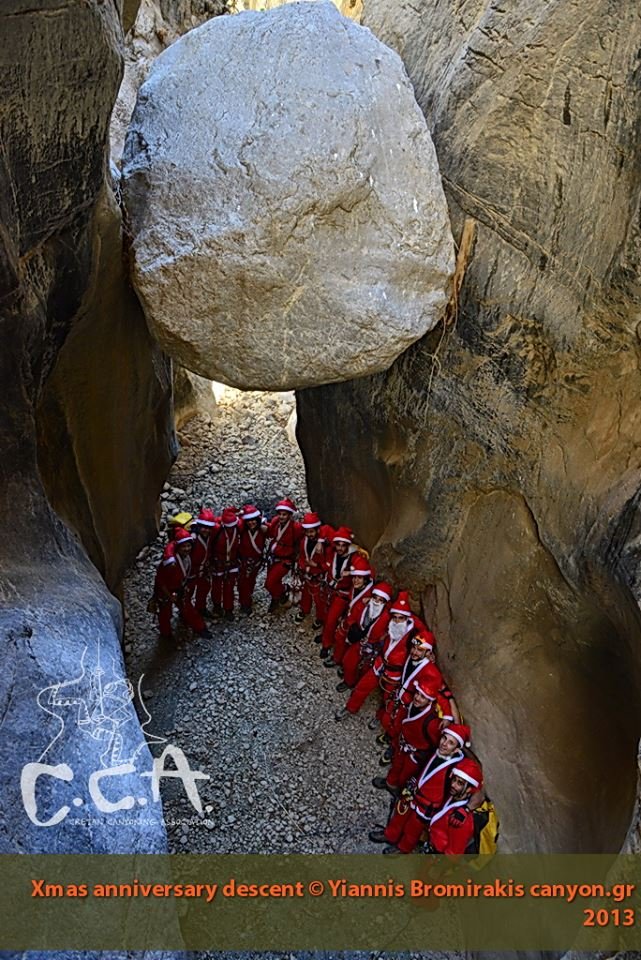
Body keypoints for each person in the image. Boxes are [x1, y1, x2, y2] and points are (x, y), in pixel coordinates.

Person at [368, 724, 471, 854]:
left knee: (413, 829)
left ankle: (403, 848)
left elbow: (476, 786)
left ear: (457, 750)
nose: (444, 744)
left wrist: (467, 808)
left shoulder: (456, 768)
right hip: (414, 792)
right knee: (399, 816)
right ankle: (390, 835)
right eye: (444, 738)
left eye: (451, 743)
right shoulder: (438, 751)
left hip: (426, 805)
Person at [335, 591, 415, 720]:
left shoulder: (411, 635)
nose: (397, 621)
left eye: (401, 618)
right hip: (380, 663)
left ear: (407, 618)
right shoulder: (391, 626)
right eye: (395, 617)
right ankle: (350, 708)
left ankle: (381, 717)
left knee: (389, 698)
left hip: (395, 673)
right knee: (362, 686)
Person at [372, 676, 444, 794]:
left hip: (415, 755)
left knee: (405, 775)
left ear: (430, 701)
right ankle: (390, 783)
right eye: (417, 693)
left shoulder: (432, 723)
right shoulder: (413, 705)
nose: (417, 698)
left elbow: (435, 744)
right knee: (396, 765)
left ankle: (400, 792)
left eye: (423, 697)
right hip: (404, 745)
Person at [152, 528, 211, 640]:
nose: (187, 549)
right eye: (183, 546)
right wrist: (169, 595)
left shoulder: (187, 557)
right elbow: (160, 581)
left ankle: (200, 628)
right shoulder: (170, 564)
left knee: (187, 607)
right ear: (178, 547)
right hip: (165, 591)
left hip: (179, 587)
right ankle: (166, 634)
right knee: (165, 614)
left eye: (188, 546)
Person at [339, 582, 392, 691]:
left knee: (364, 669)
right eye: (375, 598)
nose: (376, 602)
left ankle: (356, 684)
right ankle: (348, 681)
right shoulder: (363, 606)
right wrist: (353, 627)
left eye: (380, 600)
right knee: (348, 661)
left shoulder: (387, 616)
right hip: (359, 640)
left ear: (385, 602)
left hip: (372, 646)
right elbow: (352, 617)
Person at [426, 757, 484, 855]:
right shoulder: (453, 796)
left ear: (469, 789)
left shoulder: (462, 822)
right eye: (454, 779)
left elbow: (453, 854)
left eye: (460, 783)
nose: (453, 784)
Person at [326, 553, 373, 669]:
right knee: (340, 638)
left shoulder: (370, 594)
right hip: (349, 620)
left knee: (351, 647)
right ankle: (337, 658)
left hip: (358, 626)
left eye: (359, 578)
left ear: (365, 579)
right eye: (354, 577)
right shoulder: (355, 588)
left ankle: (343, 664)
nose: (355, 580)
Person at [319, 527, 357, 660]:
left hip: (342, 594)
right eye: (338, 545)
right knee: (325, 614)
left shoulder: (353, 558)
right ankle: (325, 635)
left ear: (347, 546)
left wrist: (351, 572)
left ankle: (326, 644)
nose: (340, 548)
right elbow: (325, 529)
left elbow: (364, 570)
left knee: (332, 619)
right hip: (330, 589)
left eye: (343, 545)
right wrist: (320, 541)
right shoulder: (331, 551)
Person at [264, 498, 303, 612]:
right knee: (273, 582)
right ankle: (276, 597)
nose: (281, 517)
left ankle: (283, 591)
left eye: (284, 514)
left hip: (285, 560)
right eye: (280, 514)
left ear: (290, 515)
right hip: (272, 557)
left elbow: (302, 541)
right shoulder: (276, 522)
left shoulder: (295, 528)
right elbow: (270, 532)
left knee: (269, 583)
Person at [295, 512, 330, 628]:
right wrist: (301, 566)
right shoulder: (304, 541)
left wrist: (316, 565)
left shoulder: (325, 545)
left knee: (319, 600)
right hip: (306, 574)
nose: (309, 534)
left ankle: (320, 618)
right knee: (305, 594)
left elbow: (328, 563)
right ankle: (304, 610)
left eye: (311, 531)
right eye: (307, 532)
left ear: (317, 530)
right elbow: (302, 556)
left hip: (318, 576)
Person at [210, 506, 241, 621]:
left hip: (232, 562)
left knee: (229, 587)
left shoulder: (238, 528)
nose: (231, 529)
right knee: (216, 586)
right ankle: (217, 606)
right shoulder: (217, 530)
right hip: (218, 563)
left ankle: (228, 609)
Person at [186, 508, 217, 617]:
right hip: (191, 570)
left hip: (204, 568)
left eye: (208, 528)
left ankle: (200, 608)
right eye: (203, 527)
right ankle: (185, 612)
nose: (206, 530)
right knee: (188, 592)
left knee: (204, 589)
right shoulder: (191, 539)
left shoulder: (211, 536)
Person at [238, 504, 267, 616]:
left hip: (257, 561)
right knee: (243, 581)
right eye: (248, 521)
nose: (251, 523)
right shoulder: (243, 530)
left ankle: (247, 596)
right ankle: (245, 602)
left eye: (253, 520)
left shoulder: (263, 529)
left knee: (251, 580)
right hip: (244, 560)